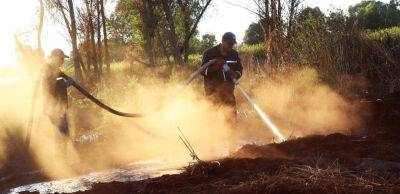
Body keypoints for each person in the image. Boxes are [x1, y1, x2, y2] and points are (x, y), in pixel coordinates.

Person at [42, 48, 74, 157]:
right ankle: (61, 159)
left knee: (61, 133)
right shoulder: (49, 70)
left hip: (58, 107)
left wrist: (66, 81)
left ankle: (61, 159)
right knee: (62, 133)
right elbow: (50, 88)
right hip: (55, 108)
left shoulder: (55, 69)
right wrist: (66, 84)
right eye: (61, 58)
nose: (63, 61)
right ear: (56, 58)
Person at [201, 32, 243, 111]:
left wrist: (235, 74)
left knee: (232, 118)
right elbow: (203, 71)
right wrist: (216, 67)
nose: (231, 46)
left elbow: (240, 69)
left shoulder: (234, 54)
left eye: (232, 44)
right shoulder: (209, 53)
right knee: (213, 117)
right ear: (222, 41)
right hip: (212, 93)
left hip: (229, 93)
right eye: (229, 44)